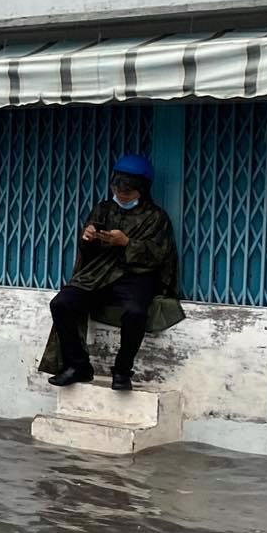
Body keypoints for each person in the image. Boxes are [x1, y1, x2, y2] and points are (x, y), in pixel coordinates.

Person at [40, 153, 183, 392]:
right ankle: (78, 366)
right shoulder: (103, 209)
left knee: (135, 312)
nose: (121, 196)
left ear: (142, 190)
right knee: (62, 303)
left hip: (136, 275)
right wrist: (88, 238)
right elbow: (88, 249)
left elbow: (159, 255)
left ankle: (122, 370)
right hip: (100, 273)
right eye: (118, 191)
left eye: (127, 193)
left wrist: (127, 242)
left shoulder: (156, 217)